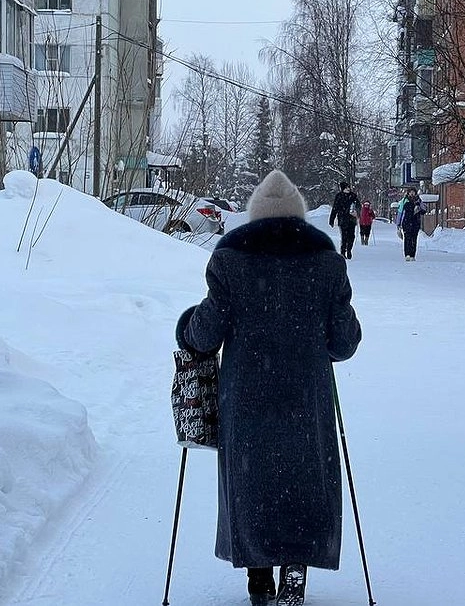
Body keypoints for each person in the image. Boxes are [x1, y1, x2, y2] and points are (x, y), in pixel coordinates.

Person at [176, 170, 362, 606]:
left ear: (254, 219)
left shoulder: (230, 263)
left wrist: (185, 325)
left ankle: (259, 575)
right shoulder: (327, 266)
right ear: (299, 220)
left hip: (247, 395)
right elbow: (344, 343)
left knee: (252, 479)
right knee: (303, 475)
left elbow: (204, 336)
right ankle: (295, 568)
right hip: (306, 397)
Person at [328, 181, 360, 259]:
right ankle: (343, 251)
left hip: (352, 220)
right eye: (346, 188)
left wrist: (357, 213)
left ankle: (349, 250)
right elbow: (335, 208)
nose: (348, 189)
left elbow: (358, 206)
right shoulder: (339, 196)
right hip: (343, 219)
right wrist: (332, 219)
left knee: (352, 236)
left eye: (348, 187)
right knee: (344, 236)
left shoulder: (353, 196)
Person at [396, 187, 426, 261]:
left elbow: (424, 210)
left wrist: (419, 207)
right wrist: (398, 223)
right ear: (408, 193)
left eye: (413, 192)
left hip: (415, 223)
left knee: (414, 239)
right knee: (407, 239)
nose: (412, 194)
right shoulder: (404, 201)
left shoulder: (418, 200)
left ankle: (413, 255)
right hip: (406, 222)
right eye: (410, 192)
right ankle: (407, 254)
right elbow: (400, 212)